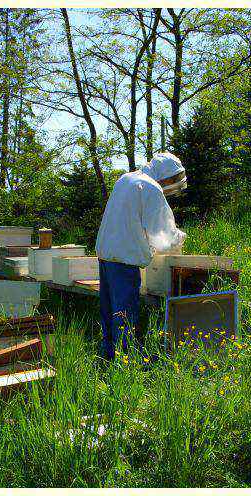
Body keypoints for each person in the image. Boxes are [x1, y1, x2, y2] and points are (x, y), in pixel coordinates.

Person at [95, 152, 187, 360]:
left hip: (106, 256)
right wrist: (179, 237)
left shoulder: (126, 179)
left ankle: (107, 358)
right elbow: (161, 235)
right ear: (164, 175)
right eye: (172, 179)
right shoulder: (151, 188)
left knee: (110, 313)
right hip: (125, 262)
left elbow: (131, 221)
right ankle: (125, 363)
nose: (171, 184)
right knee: (125, 316)